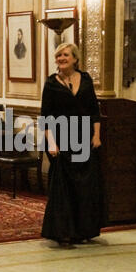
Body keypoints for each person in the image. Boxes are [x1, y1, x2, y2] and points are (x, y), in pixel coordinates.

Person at [40, 43, 107, 247]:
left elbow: (94, 110)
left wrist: (96, 136)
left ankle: (83, 230)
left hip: (84, 137)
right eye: (59, 55)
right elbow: (46, 116)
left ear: (75, 59)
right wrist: (51, 143)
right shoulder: (51, 83)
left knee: (85, 186)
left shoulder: (85, 79)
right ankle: (63, 233)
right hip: (60, 138)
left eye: (66, 54)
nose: (62, 58)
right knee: (63, 188)